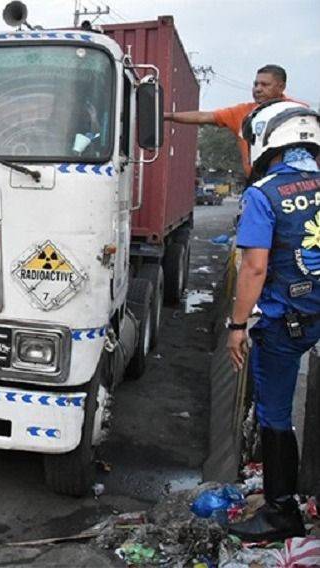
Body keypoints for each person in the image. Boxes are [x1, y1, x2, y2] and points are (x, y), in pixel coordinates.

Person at [226, 100, 320, 541]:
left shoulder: (264, 193)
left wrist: (237, 325)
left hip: (285, 324)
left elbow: (254, 268)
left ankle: (281, 511)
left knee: (275, 414)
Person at [165, 65, 297, 176]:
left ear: (281, 87)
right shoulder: (243, 113)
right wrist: (168, 116)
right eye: (256, 84)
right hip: (257, 185)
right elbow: (203, 116)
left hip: (292, 183)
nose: (258, 89)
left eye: (265, 85)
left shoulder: (298, 111)